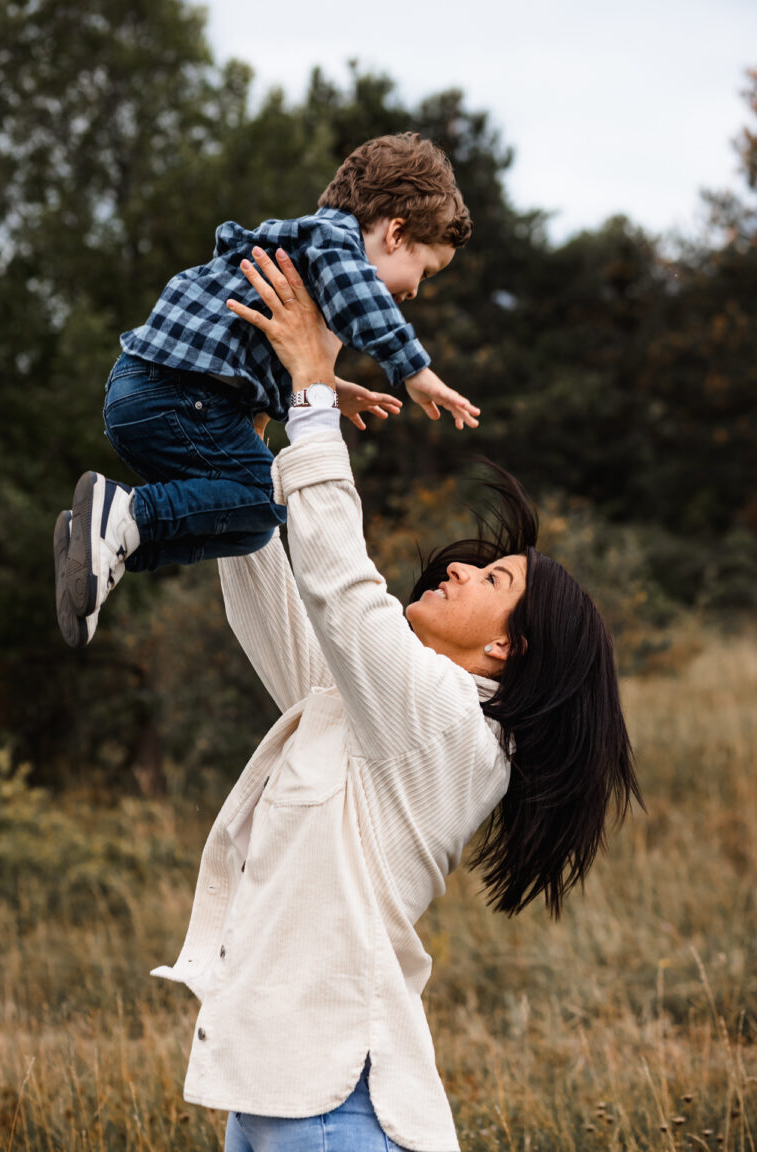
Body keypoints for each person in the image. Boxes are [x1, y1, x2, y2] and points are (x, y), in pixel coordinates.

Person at [149, 248, 642, 1152]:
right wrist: (244, 435)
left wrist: (311, 387)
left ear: (505, 648)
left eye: (491, 575)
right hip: (277, 1098)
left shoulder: (451, 730)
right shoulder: (373, 717)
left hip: (341, 1108)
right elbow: (278, 608)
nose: (457, 565)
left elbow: (342, 587)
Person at [53, 132, 480, 649]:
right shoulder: (332, 241)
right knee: (262, 495)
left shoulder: (304, 260)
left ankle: (99, 545)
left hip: (147, 394)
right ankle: (124, 515)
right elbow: (358, 297)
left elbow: (256, 354)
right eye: (425, 271)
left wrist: (332, 386)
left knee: (254, 524)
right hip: (178, 396)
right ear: (394, 233)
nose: (414, 291)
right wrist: (414, 369)